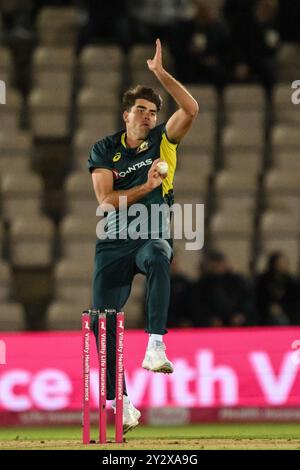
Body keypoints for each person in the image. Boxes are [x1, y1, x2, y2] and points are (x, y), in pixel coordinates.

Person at [87, 39, 199, 433]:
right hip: (112, 243)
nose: (149, 117)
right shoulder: (104, 149)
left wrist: (161, 75)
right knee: (104, 326)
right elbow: (105, 199)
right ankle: (125, 403)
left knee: (157, 255)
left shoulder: (163, 143)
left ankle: (155, 345)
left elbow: (191, 109)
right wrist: (146, 188)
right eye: (142, 110)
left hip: (148, 236)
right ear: (126, 114)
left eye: (153, 112)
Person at [255, 252, 300, 326]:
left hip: (287, 312)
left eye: (285, 262)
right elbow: (259, 298)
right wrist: (269, 307)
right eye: (281, 262)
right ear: (274, 263)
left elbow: (294, 301)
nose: (284, 264)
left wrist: (282, 307)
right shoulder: (263, 280)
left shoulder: (292, 282)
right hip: (266, 313)